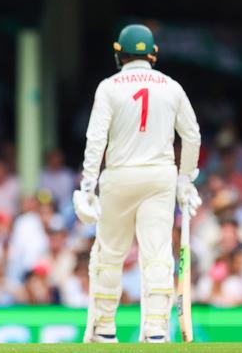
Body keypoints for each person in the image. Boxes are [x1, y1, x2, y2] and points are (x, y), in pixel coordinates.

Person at [73, 24, 201, 343]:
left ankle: (104, 328)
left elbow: (96, 139)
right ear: (153, 53)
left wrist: (88, 185)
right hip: (161, 176)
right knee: (157, 254)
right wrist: (185, 178)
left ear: (121, 53)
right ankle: (156, 329)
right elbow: (193, 136)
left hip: (120, 176)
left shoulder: (109, 87)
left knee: (110, 254)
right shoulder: (171, 86)